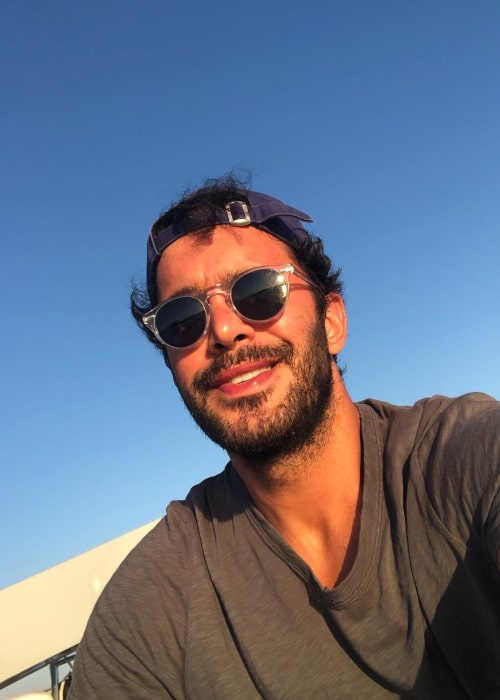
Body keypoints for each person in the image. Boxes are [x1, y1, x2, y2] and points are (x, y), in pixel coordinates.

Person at [69, 176, 500, 699]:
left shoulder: (464, 455)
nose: (224, 331)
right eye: (183, 320)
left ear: (331, 321)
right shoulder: (152, 611)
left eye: (257, 291)